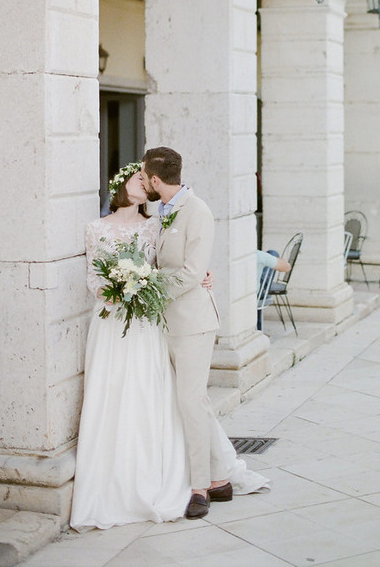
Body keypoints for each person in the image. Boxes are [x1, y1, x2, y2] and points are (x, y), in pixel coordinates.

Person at [140, 147, 269, 520]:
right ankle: (219, 479)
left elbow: (191, 273)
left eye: (145, 176)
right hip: (167, 322)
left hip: (193, 324)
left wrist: (145, 285)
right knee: (194, 403)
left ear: (154, 179)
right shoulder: (161, 212)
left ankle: (200, 488)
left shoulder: (198, 212)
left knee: (191, 403)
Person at [71, 162, 193, 529]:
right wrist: (112, 294)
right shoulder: (96, 228)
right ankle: (110, 481)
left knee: (145, 389)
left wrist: (201, 273)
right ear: (123, 185)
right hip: (109, 322)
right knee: (110, 391)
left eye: (147, 180)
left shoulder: (154, 225)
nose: (145, 184)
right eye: (140, 178)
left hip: (142, 321)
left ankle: (150, 476)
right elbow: (92, 273)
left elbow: (170, 264)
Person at [256, 249, 291, 330]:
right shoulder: (258, 255)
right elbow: (287, 267)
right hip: (256, 294)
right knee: (273, 253)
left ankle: (258, 328)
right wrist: (270, 259)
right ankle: (258, 329)